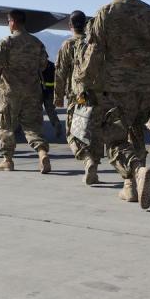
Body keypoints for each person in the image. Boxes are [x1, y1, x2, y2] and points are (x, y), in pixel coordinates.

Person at [75, 0, 150, 209]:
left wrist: (84, 83)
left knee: (114, 137)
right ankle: (130, 187)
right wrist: (148, 65)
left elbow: (94, 52)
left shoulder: (106, 13)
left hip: (116, 87)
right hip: (147, 87)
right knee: (137, 131)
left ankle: (137, 170)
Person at [0, 10, 51, 173]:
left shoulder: (7, 42)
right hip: (32, 92)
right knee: (32, 126)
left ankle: (7, 160)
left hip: (10, 92)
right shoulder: (37, 42)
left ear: (12, 22)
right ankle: (42, 153)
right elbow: (44, 65)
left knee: (6, 126)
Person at [55, 10, 101, 184]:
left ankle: (87, 159)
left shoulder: (68, 44)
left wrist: (58, 96)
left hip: (78, 96)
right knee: (95, 133)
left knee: (74, 133)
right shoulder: (94, 43)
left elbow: (60, 73)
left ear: (70, 25)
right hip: (98, 94)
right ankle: (94, 169)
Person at [41, 59, 64, 140]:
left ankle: (39, 131)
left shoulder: (36, 65)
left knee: (37, 112)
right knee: (50, 111)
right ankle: (56, 124)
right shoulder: (52, 65)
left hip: (40, 91)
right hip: (49, 91)